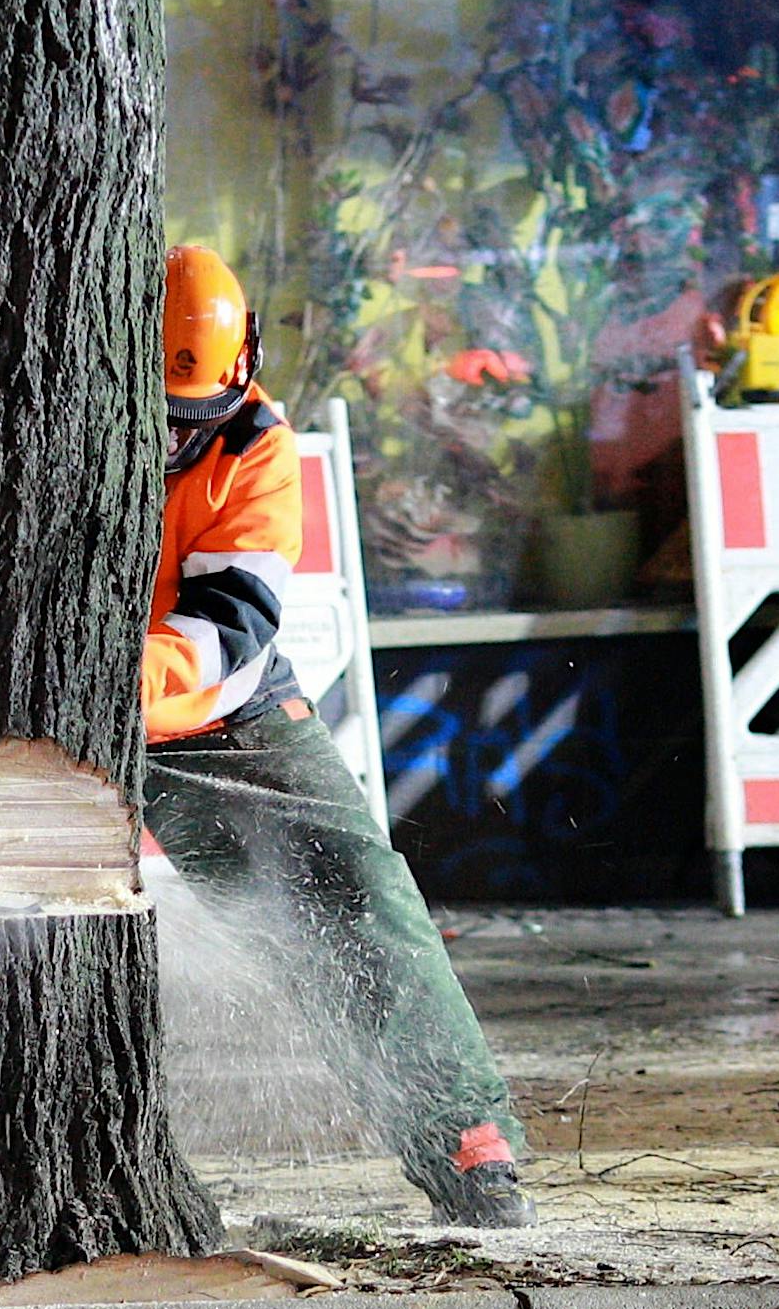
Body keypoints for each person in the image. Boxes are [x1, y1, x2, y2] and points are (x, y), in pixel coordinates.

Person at [141, 244, 534, 1228]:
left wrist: (109, 690)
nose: (176, 440)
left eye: (192, 420)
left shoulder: (253, 445)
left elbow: (226, 631)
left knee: (356, 899)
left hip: (210, 704)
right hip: (40, 706)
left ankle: (461, 1143)